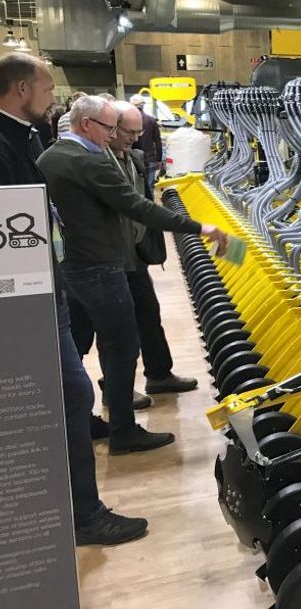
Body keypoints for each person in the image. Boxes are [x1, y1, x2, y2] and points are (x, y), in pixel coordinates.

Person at [0, 53, 147, 545]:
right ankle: (83, 515)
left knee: (75, 388)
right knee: (74, 389)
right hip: (30, 292)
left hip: (51, 279)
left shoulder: (28, 139)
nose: (50, 100)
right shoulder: (14, 145)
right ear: (21, 89)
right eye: (45, 91)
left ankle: (79, 504)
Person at [37, 95, 228, 453]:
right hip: (99, 266)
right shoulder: (87, 161)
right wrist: (199, 227)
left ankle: (84, 420)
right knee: (122, 345)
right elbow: (137, 206)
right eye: (109, 128)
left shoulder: (51, 156)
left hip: (71, 266)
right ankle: (123, 430)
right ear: (86, 124)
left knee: (78, 344)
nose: (112, 136)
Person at [68, 102, 198, 407]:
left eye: (139, 132)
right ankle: (115, 394)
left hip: (134, 253)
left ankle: (159, 374)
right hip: (109, 258)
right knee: (113, 330)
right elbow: (136, 206)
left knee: (148, 315)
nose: (134, 137)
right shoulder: (96, 161)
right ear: (109, 129)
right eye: (128, 131)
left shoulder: (134, 158)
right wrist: (196, 228)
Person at [131, 94, 162, 190]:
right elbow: (158, 141)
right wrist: (159, 159)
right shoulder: (151, 120)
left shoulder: (129, 120)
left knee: (137, 188)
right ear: (143, 105)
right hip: (150, 159)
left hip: (134, 159)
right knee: (149, 188)